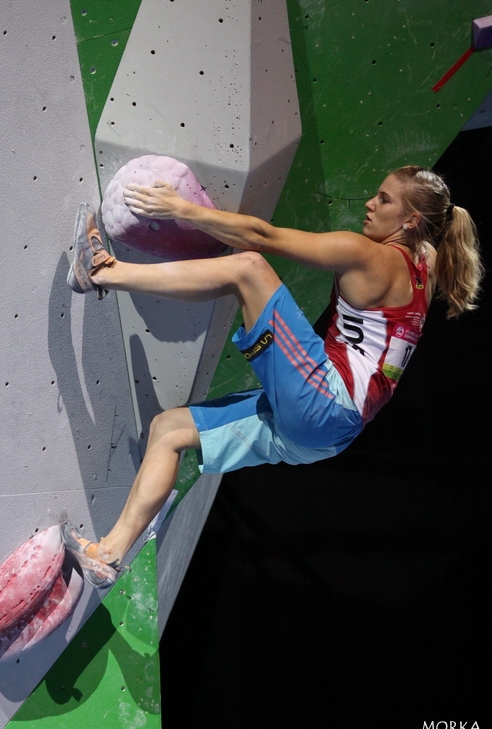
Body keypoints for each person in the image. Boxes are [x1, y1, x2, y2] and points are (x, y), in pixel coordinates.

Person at [62, 165, 483, 587]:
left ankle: (102, 271)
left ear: (410, 221)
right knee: (168, 430)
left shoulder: (370, 255)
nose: (370, 204)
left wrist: (181, 209)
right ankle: (108, 556)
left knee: (248, 268)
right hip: (330, 436)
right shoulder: (425, 261)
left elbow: (262, 237)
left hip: (324, 402)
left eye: (385, 200)